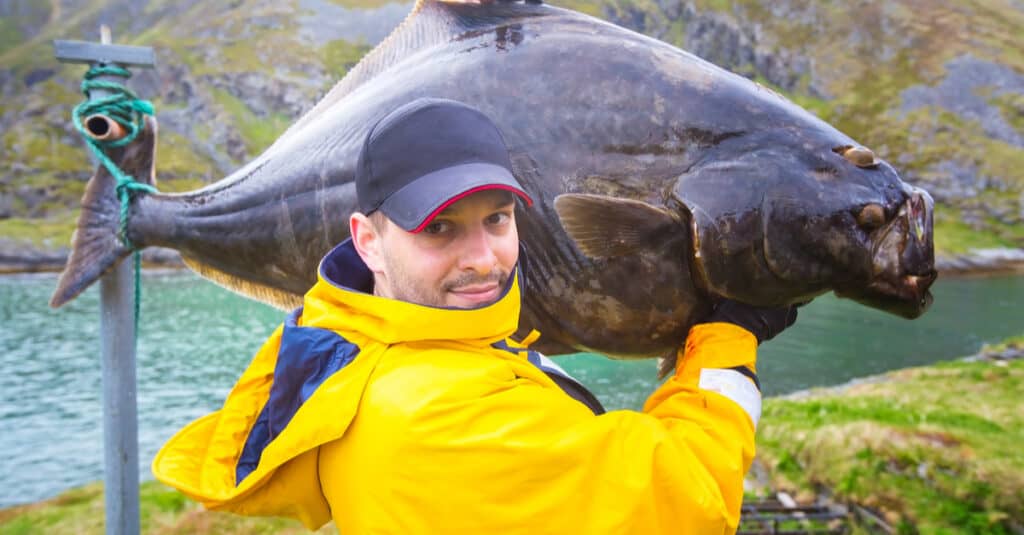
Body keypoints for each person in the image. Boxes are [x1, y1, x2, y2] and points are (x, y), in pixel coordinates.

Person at [153, 98, 797, 534]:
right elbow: (688, 496)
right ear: (368, 239)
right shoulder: (433, 413)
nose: (483, 259)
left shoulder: (358, 345)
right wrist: (728, 342)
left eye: (497, 219)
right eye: (439, 229)